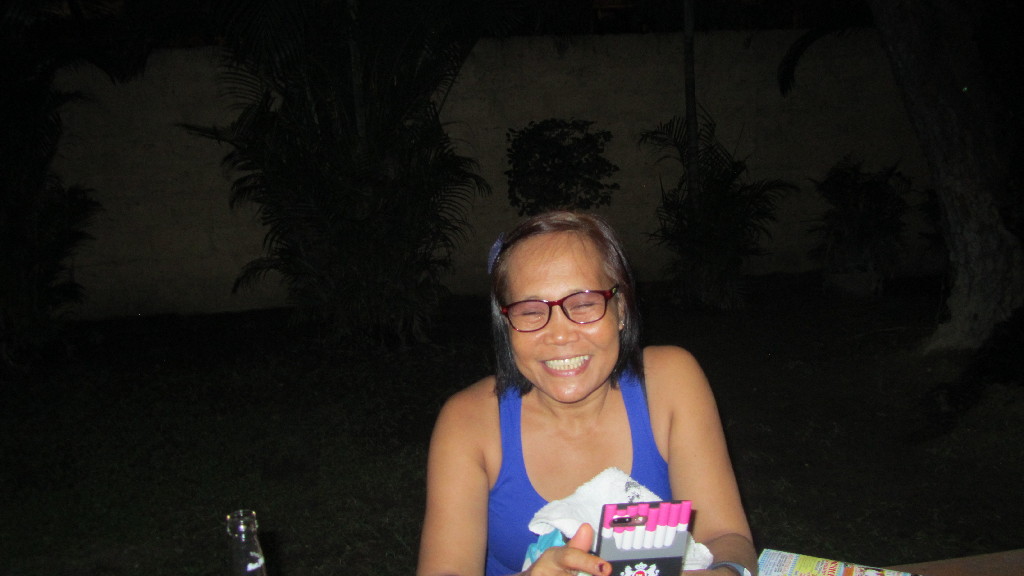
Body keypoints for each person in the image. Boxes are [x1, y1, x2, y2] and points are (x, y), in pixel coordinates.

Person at [417, 211, 756, 576]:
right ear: (506, 324)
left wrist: (723, 572)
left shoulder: (671, 383)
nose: (560, 335)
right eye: (530, 311)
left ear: (620, 309)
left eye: (583, 304)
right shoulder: (468, 422)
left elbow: (726, 536)